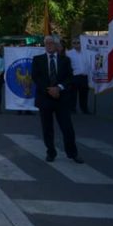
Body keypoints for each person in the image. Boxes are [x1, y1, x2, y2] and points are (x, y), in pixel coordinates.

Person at [31, 35, 83, 163]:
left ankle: (72, 153)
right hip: (45, 98)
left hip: (62, 99)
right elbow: (36, 77)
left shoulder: (65, 60)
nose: (49, 45)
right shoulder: (38, 60)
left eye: (52, 43)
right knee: (47, 128)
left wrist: (59, 88)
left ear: (57, 45)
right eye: (47, 43)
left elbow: (70, 78)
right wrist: (49, 89)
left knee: (67, 127)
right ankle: (51, 152)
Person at [66, 38, 90, 114]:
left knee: (84, 94)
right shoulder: (69, 53)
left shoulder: (86, 52)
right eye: (74, 43)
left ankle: (84, 109)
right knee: (73, 94)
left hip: (84, 77)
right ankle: (72, 108)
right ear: (72, 44)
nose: (76, 44)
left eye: (78, 42)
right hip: (74, 76)